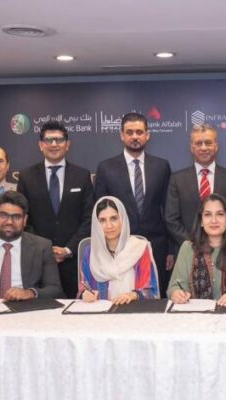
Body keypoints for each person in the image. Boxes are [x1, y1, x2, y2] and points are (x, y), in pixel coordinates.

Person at [94, 112, 172, 297]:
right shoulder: (106, 168)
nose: (135, 136)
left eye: (139, 132)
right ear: (122, 135)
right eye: (129, 132)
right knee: (121, 298)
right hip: (119, 250)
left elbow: (168, 210)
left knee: (153, 298)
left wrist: (171, 249)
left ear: (147, 135)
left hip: (156, 248)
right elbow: (99, 213)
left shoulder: (161, 166)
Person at [17, 121, 94, 299]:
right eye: (49, 140)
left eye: (59, 140)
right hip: (38, 262)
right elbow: (23, 219)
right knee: (41, 310)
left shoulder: (82, 175)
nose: (54, 144)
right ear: (40, 145)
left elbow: (89, 218)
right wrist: (44, 249)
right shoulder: (26, 176)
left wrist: (68, 249)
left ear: (67, 145)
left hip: (73, 262)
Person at [167, 193, 226, 306]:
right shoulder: (188, 248)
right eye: (208, 215)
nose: (214, 220)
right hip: (196, 314)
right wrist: (176, 293)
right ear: (201, 221)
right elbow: (175, 286)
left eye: (220, 214)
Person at [166, 123, 226, 247]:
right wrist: (192, 245)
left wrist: (220, 243)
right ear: (192, 148)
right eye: (198, 143)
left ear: (216, 146)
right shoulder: (177, 179)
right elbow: (171, 220)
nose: (203, 148)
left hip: (224, 250)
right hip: (189, 249)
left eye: (208, 143)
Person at [78, 196, 160, 304]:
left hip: (134, 310)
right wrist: (85, 294)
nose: (109, 226)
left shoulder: (139, 249)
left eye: (114, 218)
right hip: (101, 311)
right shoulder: (90, 253)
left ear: (123, 219)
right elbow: (83, 288)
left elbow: (151, 291)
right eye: (102, 220)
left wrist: (134, 295)